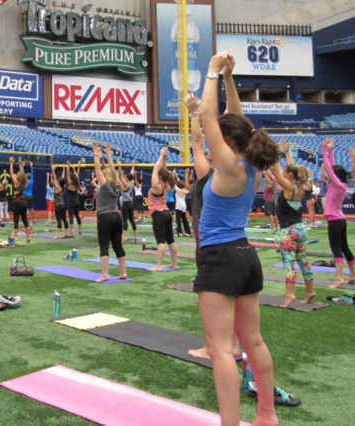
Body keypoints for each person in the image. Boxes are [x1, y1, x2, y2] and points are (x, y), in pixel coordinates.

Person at [195, 52, 280, 426]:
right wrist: (230, 78)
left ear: (227, 141)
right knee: (254, 342)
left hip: (221, 257)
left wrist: (213, 71)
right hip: (247, 256)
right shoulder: (252, 167)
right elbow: (237, 120)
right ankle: (267, 415)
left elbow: (208, 116)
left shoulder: (228, 166)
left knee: (220, 351)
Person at [270, 141, 315, 307]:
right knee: (303, 261)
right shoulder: (300, 186)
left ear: (289, 175)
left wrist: (273, 154)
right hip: (300, 229)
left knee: (289, 263)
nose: (284, 171)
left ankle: (290, 295)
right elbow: (292, 167)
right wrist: (287, 152)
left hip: (288, 232)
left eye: (285, 171)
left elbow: (276, 170)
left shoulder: (288, 187)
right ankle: (310, 291)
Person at [91, 142, 127, 281]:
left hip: (105, 217)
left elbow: (98, 170)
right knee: (118, 245)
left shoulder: (104, 186)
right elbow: (112, 169)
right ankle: (123, 272)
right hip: (117, 217)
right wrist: (108, 154)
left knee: (104, 246)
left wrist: (96, 154)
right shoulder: (117, 184)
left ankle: (105, 274)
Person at [322, 139, 354, 288]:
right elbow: (333, 167)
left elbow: (329, 168)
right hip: (340, 219)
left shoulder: (337, 184)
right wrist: (331, 150)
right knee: (345, 248)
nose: (330, 174)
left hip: (334, 220)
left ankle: (339, 278)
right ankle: (353, 275)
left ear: (336, 176)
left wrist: (323, 149)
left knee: (336, 249)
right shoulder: (341, 184)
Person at [148, 147, 179, 271]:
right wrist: (165, 157)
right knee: (171, 240)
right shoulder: (167, 185)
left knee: (161, 241)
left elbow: (156, 169)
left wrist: (161, 155)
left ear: (160, 176)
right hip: (166, 213)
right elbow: (164, 170)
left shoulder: (157, 186)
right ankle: (174, 264)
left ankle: (159, 266)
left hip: (159, 215)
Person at [9, 156, 31, 243]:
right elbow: (22, 173)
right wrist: (19, 163)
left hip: (17, 203)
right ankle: (28, 237)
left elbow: (11, 172)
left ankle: (16, 237)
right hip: (23, 202)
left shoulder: (17, 182)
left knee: (16, 221)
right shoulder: (24, 182)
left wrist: (11, 163)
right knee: (25, 220)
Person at [117, 161, 138, 242]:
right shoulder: (131, 183)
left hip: (126, 204)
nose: (124, 177)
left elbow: (121, 176)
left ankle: (124, 237)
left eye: (126, 176)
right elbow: (131, 174)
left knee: (124, 220)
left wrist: (119, 167)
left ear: (127, 178)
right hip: (130, 204)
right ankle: (135, 237)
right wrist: (133, 165)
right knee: (132, 220)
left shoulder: (126, 185)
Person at [66, 159, 84, 235]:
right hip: (76, 201)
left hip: (71, 201)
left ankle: (71, 230)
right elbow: (77, 175)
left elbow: (68, 174)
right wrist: (78, 166)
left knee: (71, 215)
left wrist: (68, 166)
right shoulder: (76, 184)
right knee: (77, 215)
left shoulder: (70, 184)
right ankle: (80, 230)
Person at [51, 166, 69, 238]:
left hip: (58, 206)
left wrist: (52, 169)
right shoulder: (63, 187)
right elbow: (62, 178)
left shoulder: (58, 188)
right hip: (63, 205)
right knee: (64, 219)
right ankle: (67, 233)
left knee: (59, 220)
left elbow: (54, 178)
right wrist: (64, 169)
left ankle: (58, 234)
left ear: (59, 182)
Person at [22, 160, 36, 224]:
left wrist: (23, 167)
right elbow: (32, 174)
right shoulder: (31, 181)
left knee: (25, 209)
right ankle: (34, 219)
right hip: (31, 196)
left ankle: (25, 220)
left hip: (25, 196)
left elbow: (22, 174)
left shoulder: (25, 182)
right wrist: (31, 167)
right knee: (31, 208)